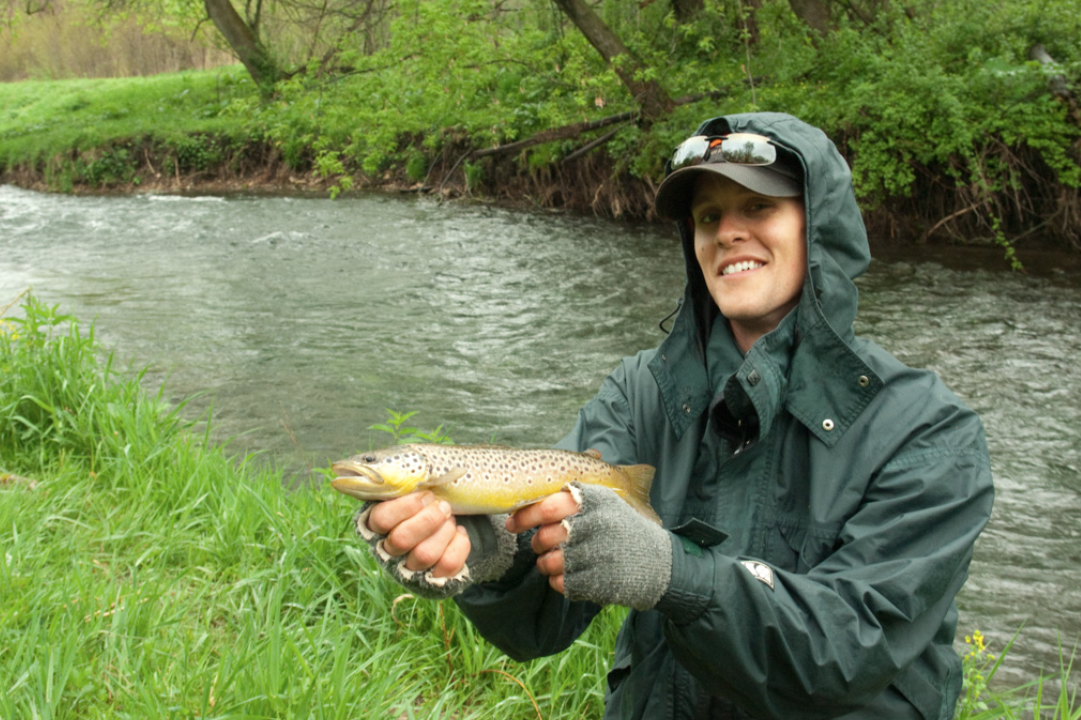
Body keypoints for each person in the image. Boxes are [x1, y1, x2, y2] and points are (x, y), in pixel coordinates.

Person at [356, 112, 995, 719]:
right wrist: (483, 554)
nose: (727, 232)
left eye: (760, 207)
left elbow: (848, 649)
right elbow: (539, 619)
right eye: (708, 215)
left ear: (819, 229)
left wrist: (676, 576)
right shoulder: (642, 394)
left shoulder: (929, 432)